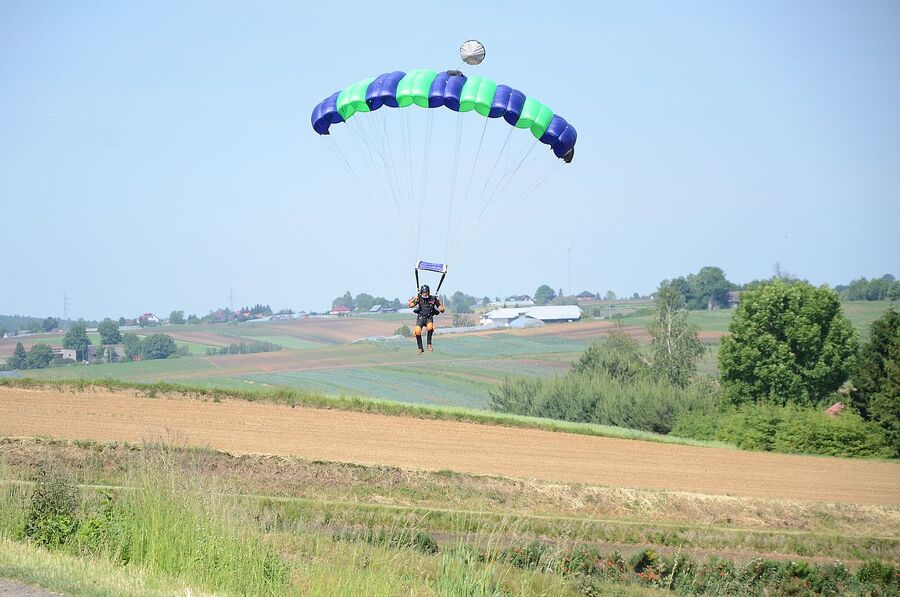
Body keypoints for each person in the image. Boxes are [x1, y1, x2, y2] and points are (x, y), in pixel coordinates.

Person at [407, 284, 444, 353]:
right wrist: (413, 300)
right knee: (417, 331)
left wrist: (441, 309)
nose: (424, 294)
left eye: (426, 292)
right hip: (421, 318)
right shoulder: (419, 298)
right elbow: (410, 305)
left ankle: (429, 344)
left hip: (429, 317)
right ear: (421, 292)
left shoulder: (433, 298)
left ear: (428, 292)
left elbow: (439, 306)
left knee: (430, 328)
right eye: (423, 292)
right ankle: (420, 348)